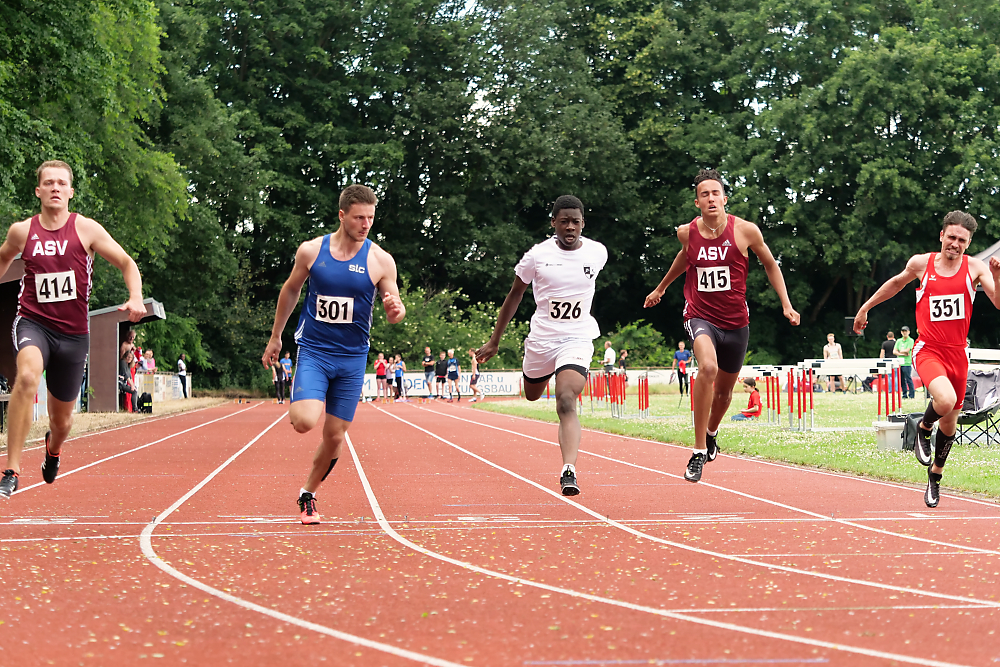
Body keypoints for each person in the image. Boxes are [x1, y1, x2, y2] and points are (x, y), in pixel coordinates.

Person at [0, 160, 145, 499]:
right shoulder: (22, 231)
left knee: (62, 422)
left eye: (61, 183)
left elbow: (126, 262)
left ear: (70, 192)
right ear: (38, 191)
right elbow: (4, 257)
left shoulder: (86, 229)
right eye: (49, 182)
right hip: (33, 323)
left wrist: (136, 296)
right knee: (27, 377)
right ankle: (11, 470)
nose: (55, 187)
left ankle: (53, 449)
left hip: (73, 335)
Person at [644, 168, 800, 483]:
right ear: (697, 202)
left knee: (725, 393)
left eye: (716, 193)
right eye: (705, 194)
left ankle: (712, 433)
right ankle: (698, 450)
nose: (711, 198)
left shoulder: (746, 231)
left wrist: (786, 304)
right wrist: (661, 288)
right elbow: (684, 258)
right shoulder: (687, 233)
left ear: (725, 199)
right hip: (700, 316)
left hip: (736, 322)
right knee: (707, 368)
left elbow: (771, 264)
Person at [262, 184, 404, 524]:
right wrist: (276, 336)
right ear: (342, 215)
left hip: (352, 359)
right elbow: (291, 289)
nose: (366, 224)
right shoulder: (312, 251)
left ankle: (308, 494)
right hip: (315, 351)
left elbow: (395, 307)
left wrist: (395, 310)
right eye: (358, 218)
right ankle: (304, 398)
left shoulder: (380, 260)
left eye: (370, 218)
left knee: (335, 435)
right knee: (303, 422)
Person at [853, 210, 1000, 508]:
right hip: (928, 349)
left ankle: (935, 476)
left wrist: (996, 276)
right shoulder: (922, 263)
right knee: (944, 400)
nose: (955, 244)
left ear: (968, 243)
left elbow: (997, 302)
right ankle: (923, 427)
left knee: (950, 423)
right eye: (951, 237)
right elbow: (896, 284)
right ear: (941, 235)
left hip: (958, 353)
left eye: (962, 240)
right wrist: (865, 307)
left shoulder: (974, 267)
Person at [476, 194, 608, 496]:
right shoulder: (536, 256)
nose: (570, 227)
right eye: (564, 222)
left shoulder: (597, 253)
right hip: (542, 340)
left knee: (566, 400)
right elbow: (515, 295)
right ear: (553, 223)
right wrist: (495, 340)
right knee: (533, 394)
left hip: (577, 338)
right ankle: (545, 371)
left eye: (575, 222)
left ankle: (568, 470)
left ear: (583, 223)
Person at [895, 326, 916, 399]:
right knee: (901, 380)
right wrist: (902, 353)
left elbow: (907, 350)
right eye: (903, 331)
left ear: (908, 332)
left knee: (908, 379)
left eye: (906, 331)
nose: (904, 333)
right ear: (901, 332)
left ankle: (911, 394)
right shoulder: (899, 341)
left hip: (907, 363)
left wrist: (899, 352)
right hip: (899, 363)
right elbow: (894, 351)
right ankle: (904, 394)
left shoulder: (910, 340)